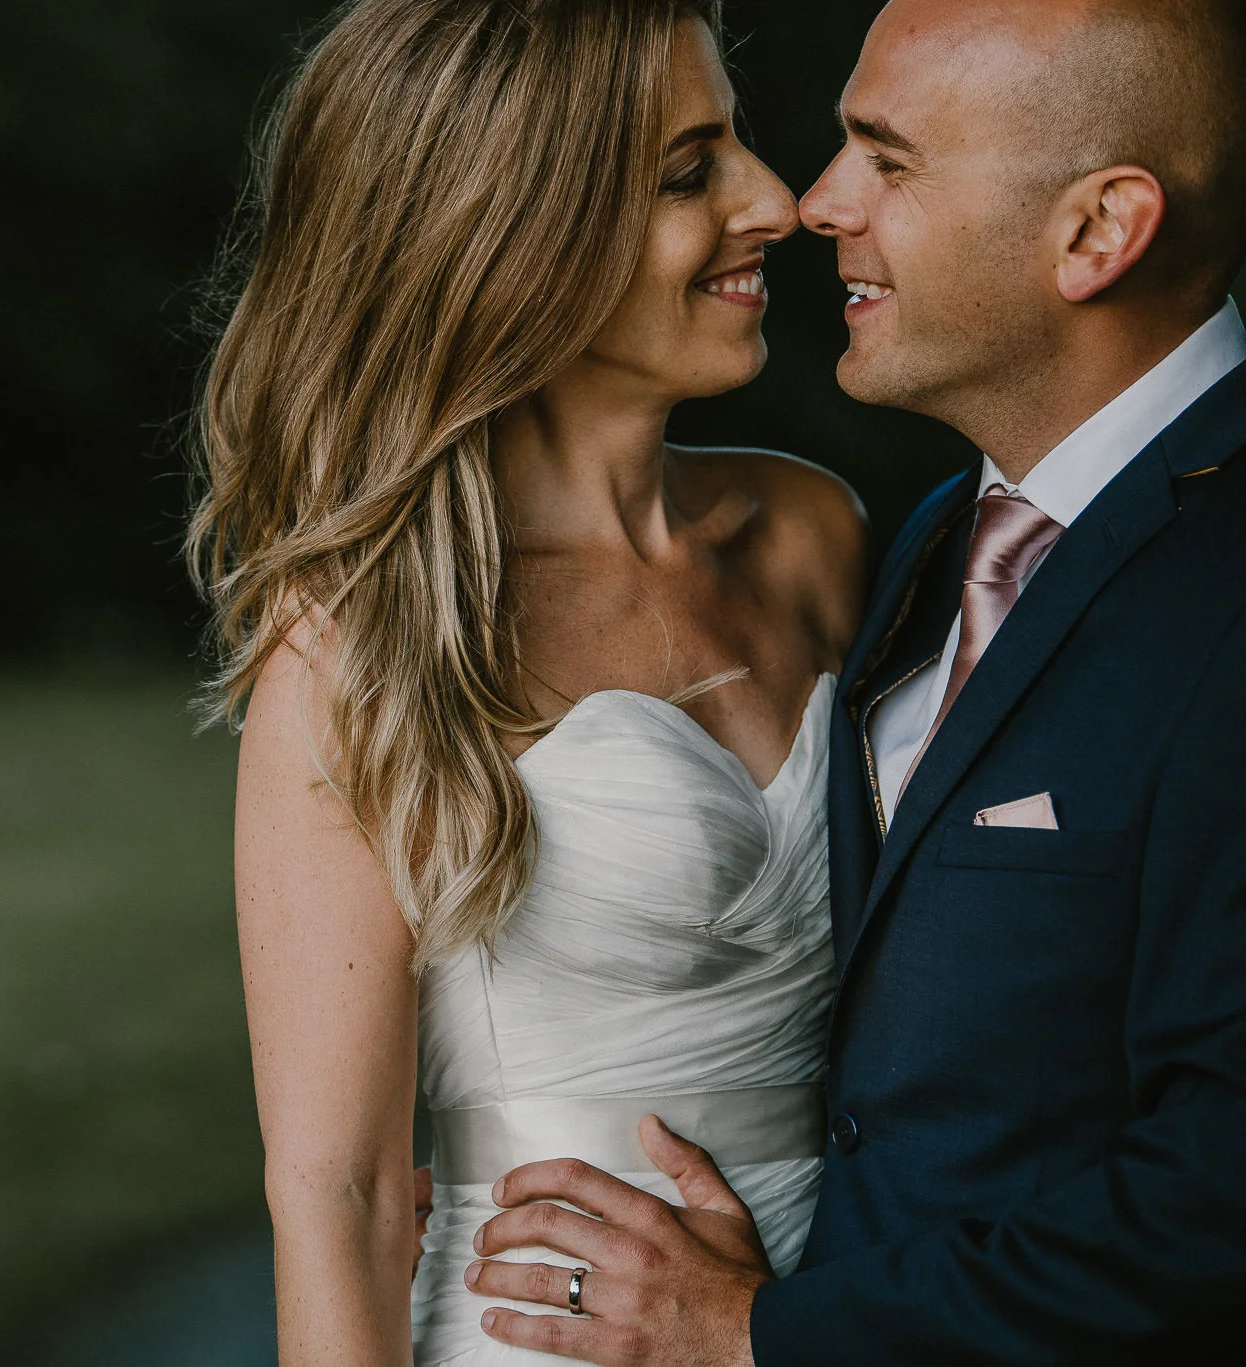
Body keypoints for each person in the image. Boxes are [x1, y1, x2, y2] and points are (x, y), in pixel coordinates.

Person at [461, 1, 1246, 1362]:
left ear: (1096, 233)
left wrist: (767, 1332)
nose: (816, 204)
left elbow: (1217, 1193)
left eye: (886, 160)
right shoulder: (942, 538)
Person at [185, 1, 865, 1361]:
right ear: (520, 237)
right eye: (692, 171)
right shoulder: (363, 635)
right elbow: (345, 1192)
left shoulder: (813, 535)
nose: (778, 203)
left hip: (845, 1318)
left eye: (737, 148)